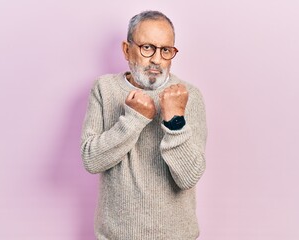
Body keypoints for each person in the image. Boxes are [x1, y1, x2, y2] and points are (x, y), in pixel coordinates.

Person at [80, 10, 207, 240]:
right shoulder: (104, 89)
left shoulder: (189, 96)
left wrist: (175, 120)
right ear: (127, 50)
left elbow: (188, 177)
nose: (156, 60)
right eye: (147, 48)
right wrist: (134, 119)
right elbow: (91, 160)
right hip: (115, 236)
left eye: (165, 50)